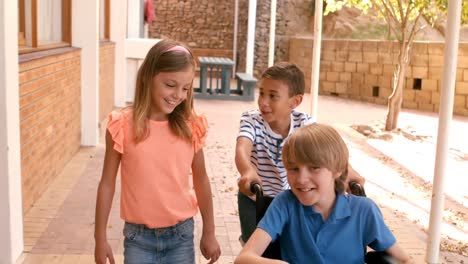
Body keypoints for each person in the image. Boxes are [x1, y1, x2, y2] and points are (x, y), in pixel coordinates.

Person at [94, 39, 221, 264]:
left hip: (181, 237)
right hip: (138, 239)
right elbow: (107, 183)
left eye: (185, 88)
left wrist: (209, 231)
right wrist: (100, 238)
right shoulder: (121, 126)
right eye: (170, 85)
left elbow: (201, 181)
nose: (178, 95)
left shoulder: (191, 126)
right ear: (148, 77)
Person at [235, 123, 413, 264]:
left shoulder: (364, 211)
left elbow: (404, 260)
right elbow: (244, 258)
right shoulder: (285, 204)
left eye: (314, 168)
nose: (302, 179)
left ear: (337, 170)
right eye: (293, 168)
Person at [235, 62, 365, 243]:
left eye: (273, 96)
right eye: (261, 93)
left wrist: (346, 170)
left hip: (290, 199)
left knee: (291, 245)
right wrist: (247, 170)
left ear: (295, 101)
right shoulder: (251, 120)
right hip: (254, 198)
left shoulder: (304, 124)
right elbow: (242, 148)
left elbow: (328, 150)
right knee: (254, 246)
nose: (263, 102)